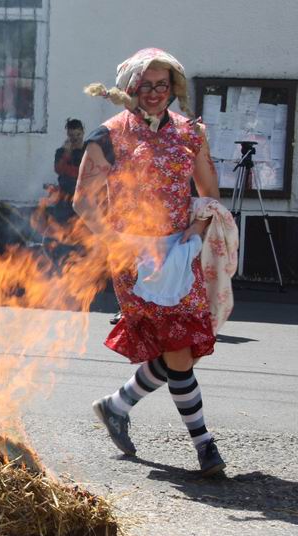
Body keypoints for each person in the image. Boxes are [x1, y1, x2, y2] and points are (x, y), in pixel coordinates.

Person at [74, 48, 226, 476]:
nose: (155, 93)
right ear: (130, 88)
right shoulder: (108, 135)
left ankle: (117, 406)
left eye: (163, 85)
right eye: (146, 85)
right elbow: (83, 202)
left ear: (173, 87)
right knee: (177, 347)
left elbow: (208, 192)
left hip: (181, 248)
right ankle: (205, 446)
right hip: (133, 257)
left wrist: (198, 232)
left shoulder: (189, 133)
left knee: (181, 349)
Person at [52, 118, 85, 223]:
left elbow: (89, 171)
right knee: (62, 224)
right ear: (67, 135)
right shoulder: (61, 152)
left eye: (78, 135)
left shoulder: (89, 150)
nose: (75, 139)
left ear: (83, 132)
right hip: (65, 197)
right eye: (71, 136)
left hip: (84, 196)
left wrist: (70, 170)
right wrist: (66, 153)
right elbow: (58, 169)